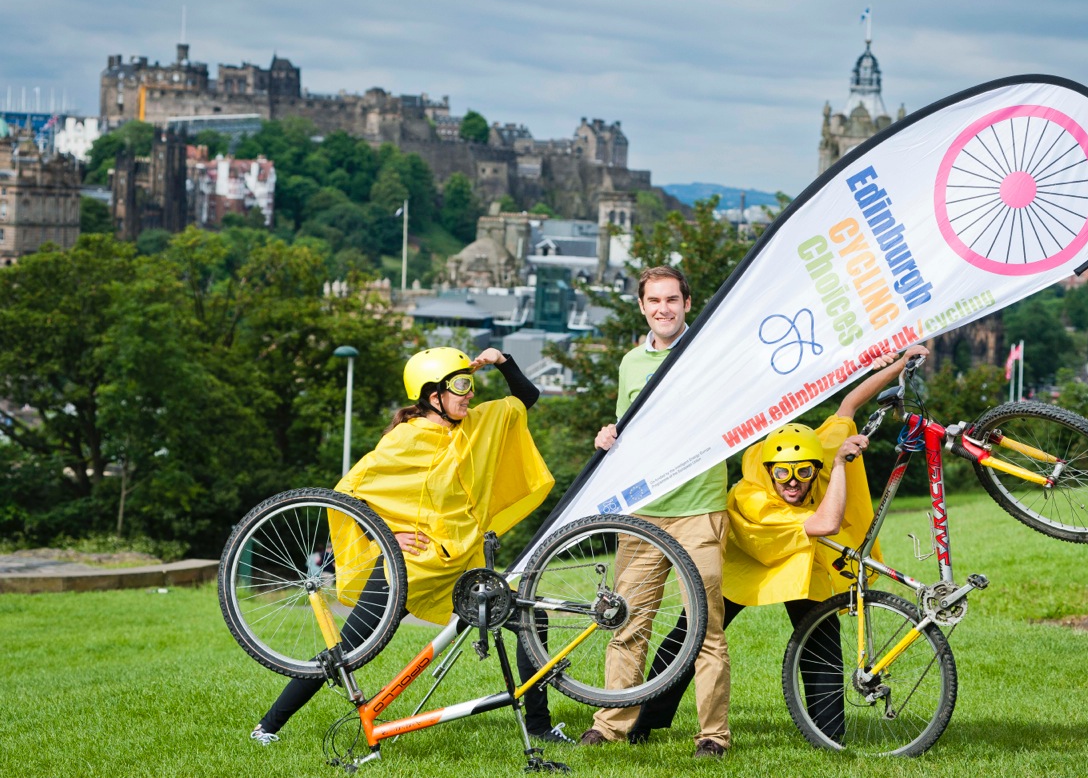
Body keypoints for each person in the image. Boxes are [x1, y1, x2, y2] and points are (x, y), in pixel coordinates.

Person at [250, 347, 571, 746]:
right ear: (433, 395)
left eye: (469, 383)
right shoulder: (406, 438)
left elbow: (526, 399)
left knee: (528, 619)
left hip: (459, 568)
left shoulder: (473, 426)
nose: (469, 394)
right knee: (349, 651)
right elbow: (348, 492)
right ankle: (266, 727)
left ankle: (540, 728)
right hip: (406, 571)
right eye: (459, 385)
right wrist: (382, 536)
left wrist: (503, 361)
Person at [627, 345, 928, 742]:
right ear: (769, 470)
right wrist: (838, 466)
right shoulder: (754, 498)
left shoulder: (819, 450)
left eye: (804, 472)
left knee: (820, 636)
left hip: (798, 558)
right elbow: (825, 522)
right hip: (746, 561)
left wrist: (900, 363)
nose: (793, 481)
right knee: (692, 632)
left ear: (814, 462)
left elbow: (851, 403)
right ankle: (642, 721)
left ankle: (829, 734)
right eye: (782, 473)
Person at [578, 265, 732, 759]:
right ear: (642, 307)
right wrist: (609, 436)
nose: (663, 308)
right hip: (642, 512)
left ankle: (712, 736)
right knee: (628, 623)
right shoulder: (630, 363)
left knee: (704, 629)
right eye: (654, 301)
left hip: (697, 508)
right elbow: (630, 427)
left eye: (672, 299)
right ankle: (610, 725)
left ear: (688, 302)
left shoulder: (709, 355)